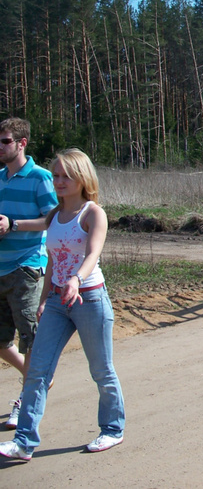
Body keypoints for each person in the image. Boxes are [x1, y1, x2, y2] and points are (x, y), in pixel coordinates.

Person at [0, 149, 125, 461]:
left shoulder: (93, 213)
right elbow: (54, 260)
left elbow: (92, 254)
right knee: (37, 371)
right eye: (55, 175)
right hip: (57, 301)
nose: (58, 181)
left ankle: (112, 429)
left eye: (66, 176)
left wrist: (76, 280)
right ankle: (24, 442)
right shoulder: (55, 215)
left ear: (82, 178)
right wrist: (44, 300)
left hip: (89, 298)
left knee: (101, 369)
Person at [0, 117, 57, 431]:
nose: (0, 146)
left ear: (22, 143)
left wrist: (13, 224)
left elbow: (51, 219)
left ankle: (27, 395)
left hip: (27, 266)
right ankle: (36, 380)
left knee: (30, 338)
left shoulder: (41, 177)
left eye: (6, 141)